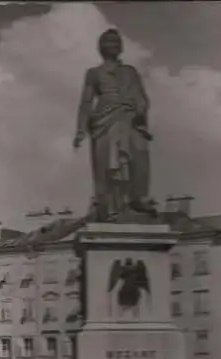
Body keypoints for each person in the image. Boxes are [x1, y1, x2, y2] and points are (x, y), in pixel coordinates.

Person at [73, 29, 155, 219]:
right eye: (109, 42)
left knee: (139, 153)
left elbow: (141, 96)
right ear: (101, 47)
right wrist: (80, 129)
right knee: (109, 165)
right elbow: (86, 102)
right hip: (104, 120)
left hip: (130, 117)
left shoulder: (130, 72)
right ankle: (110, 206)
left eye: (116, 41)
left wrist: (141, 107)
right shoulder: (93, 73)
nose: (113, 45)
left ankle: (138, 198)